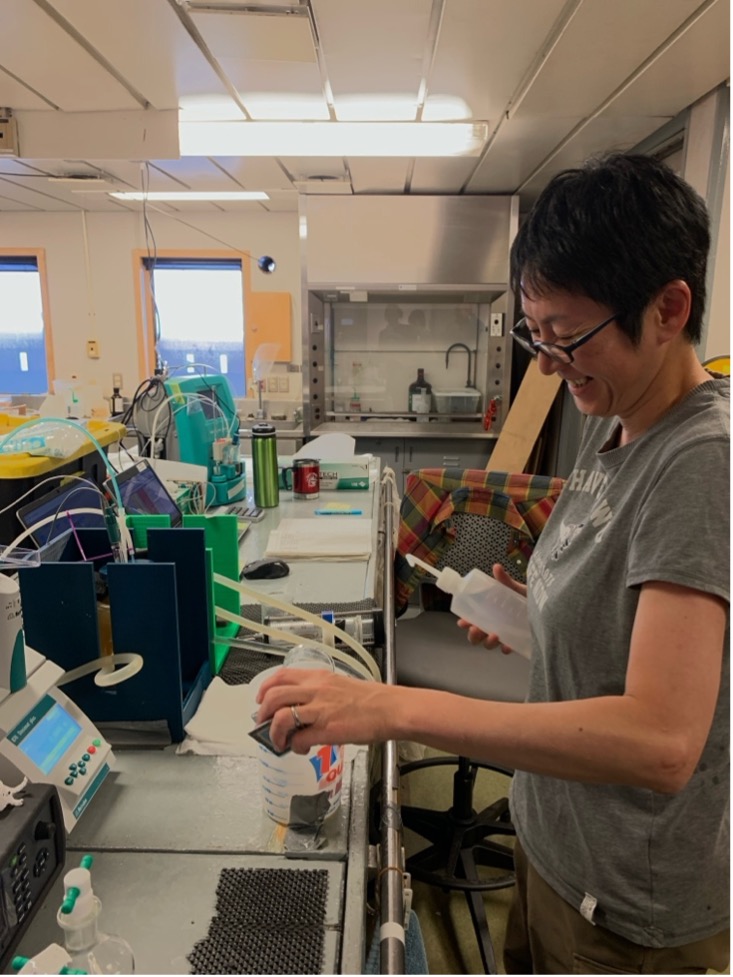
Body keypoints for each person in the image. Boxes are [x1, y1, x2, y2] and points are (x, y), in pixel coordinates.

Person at [256, 153, 729, 974]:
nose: (545, 364)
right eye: (532, 334)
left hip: (626, 904)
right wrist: (534, 613)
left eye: (566, 335)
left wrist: (392, 707)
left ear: (668, 307)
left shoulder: (699, 462)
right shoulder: (617, 424)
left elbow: (660, 741)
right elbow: (617, 617)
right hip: (553, 840)